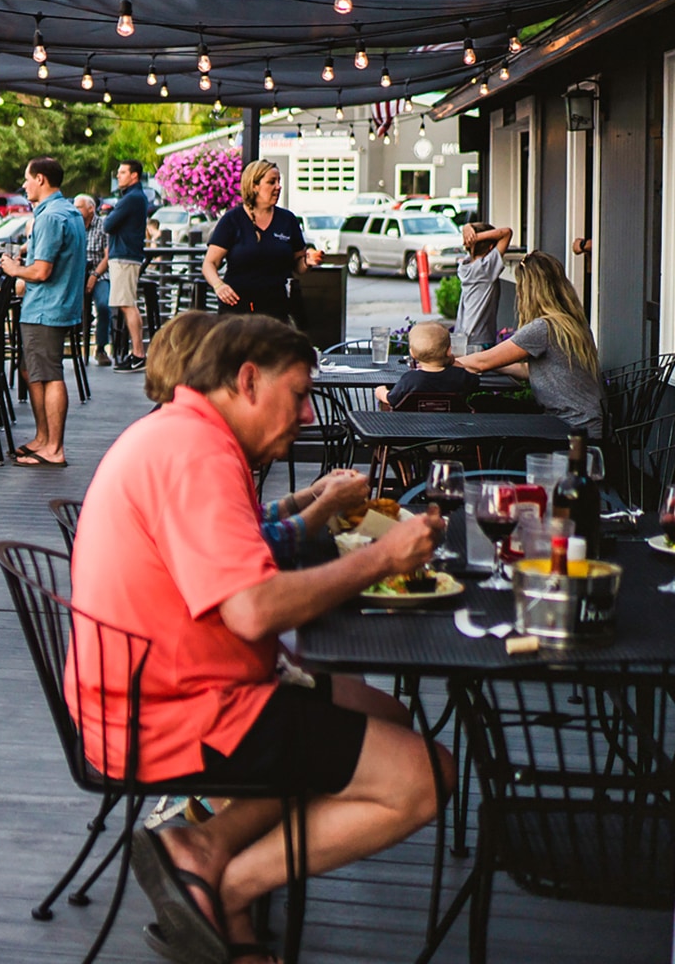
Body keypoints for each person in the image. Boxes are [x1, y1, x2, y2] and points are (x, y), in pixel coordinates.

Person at [71, 315, 450, 964]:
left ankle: (209, 856)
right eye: (299, 394)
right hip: (174, 715)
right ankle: (222, 884)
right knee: (428, 778)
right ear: (247, 380)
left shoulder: (185, 435)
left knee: (384, 713)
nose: (307, 416)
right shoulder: (196, 452)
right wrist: (382, 561)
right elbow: (250, 612)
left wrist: (316, 508)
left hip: (169, 689)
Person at [143, 311, 370, 568]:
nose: (308, 415)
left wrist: (309, 496)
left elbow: (242, 522)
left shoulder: (181, 428)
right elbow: (256, 556)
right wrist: (377, 557)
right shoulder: (196, 446)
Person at [457, 250, 603, 435]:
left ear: (528, 291)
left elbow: (481, 363)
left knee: (483, 405)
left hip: (570, 426)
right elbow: (533, 370)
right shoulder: (572, 322)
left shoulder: (542, 328)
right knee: (487, 403)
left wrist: (440, 362)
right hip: (586, 419)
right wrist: (498, 364)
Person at [0, 158, 84, 468]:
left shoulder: (49, 217)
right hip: (58, 304)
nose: (24, 185)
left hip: (46, 307)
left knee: (49, 374)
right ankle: (42, 438)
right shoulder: (70, 211)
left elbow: (42, 271)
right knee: (30, 369)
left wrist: (14, 269)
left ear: (40, 179)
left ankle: (54, 448)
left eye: (27, 179)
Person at [202, 161, 321, 324]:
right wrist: (218, 286)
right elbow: (209, 263)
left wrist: (308, 261)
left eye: (279, 182)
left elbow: (298, 265)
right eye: (272, 182)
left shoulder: (287, 220)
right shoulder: (232, 220)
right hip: (236, 309)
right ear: (254, 186)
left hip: (275, 309)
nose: (278, 187)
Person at [104, 160, 150, 369]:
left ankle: (138, 353)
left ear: (134, 176)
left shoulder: (131, 199)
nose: (119, 176)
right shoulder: (136, 197)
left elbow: (108, 224)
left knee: (127, 304)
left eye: (123, 172)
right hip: (128, 255)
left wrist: (110, 212)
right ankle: (137, 353)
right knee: (128, 303)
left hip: (124, 255)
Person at [376, 322, 480, 410]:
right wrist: (455, 363)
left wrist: (380, 391)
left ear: (412, 354)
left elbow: (392, 399)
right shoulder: (460, 376)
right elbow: (475, 380)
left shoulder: (410, 379)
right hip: (454, 429)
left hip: (415, 430)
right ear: (449, 350)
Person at [455, 222, 513, 352]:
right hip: (480, 339)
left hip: (463, 335)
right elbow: (506, 233)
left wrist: (467, 228)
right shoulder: (486, 268)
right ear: (491, 247)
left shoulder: (465, 265)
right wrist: (476, 237)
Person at [76, 194, 112, 366]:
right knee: (71, 306)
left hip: (100, 272)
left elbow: (108, 256)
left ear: (90, 208)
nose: (75, 211)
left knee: (104, 305)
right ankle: (76, 346)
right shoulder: (74, 225)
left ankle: (100, 347)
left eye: (79, 207)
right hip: (77, 274)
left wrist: (95, 276)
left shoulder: (104, 225)